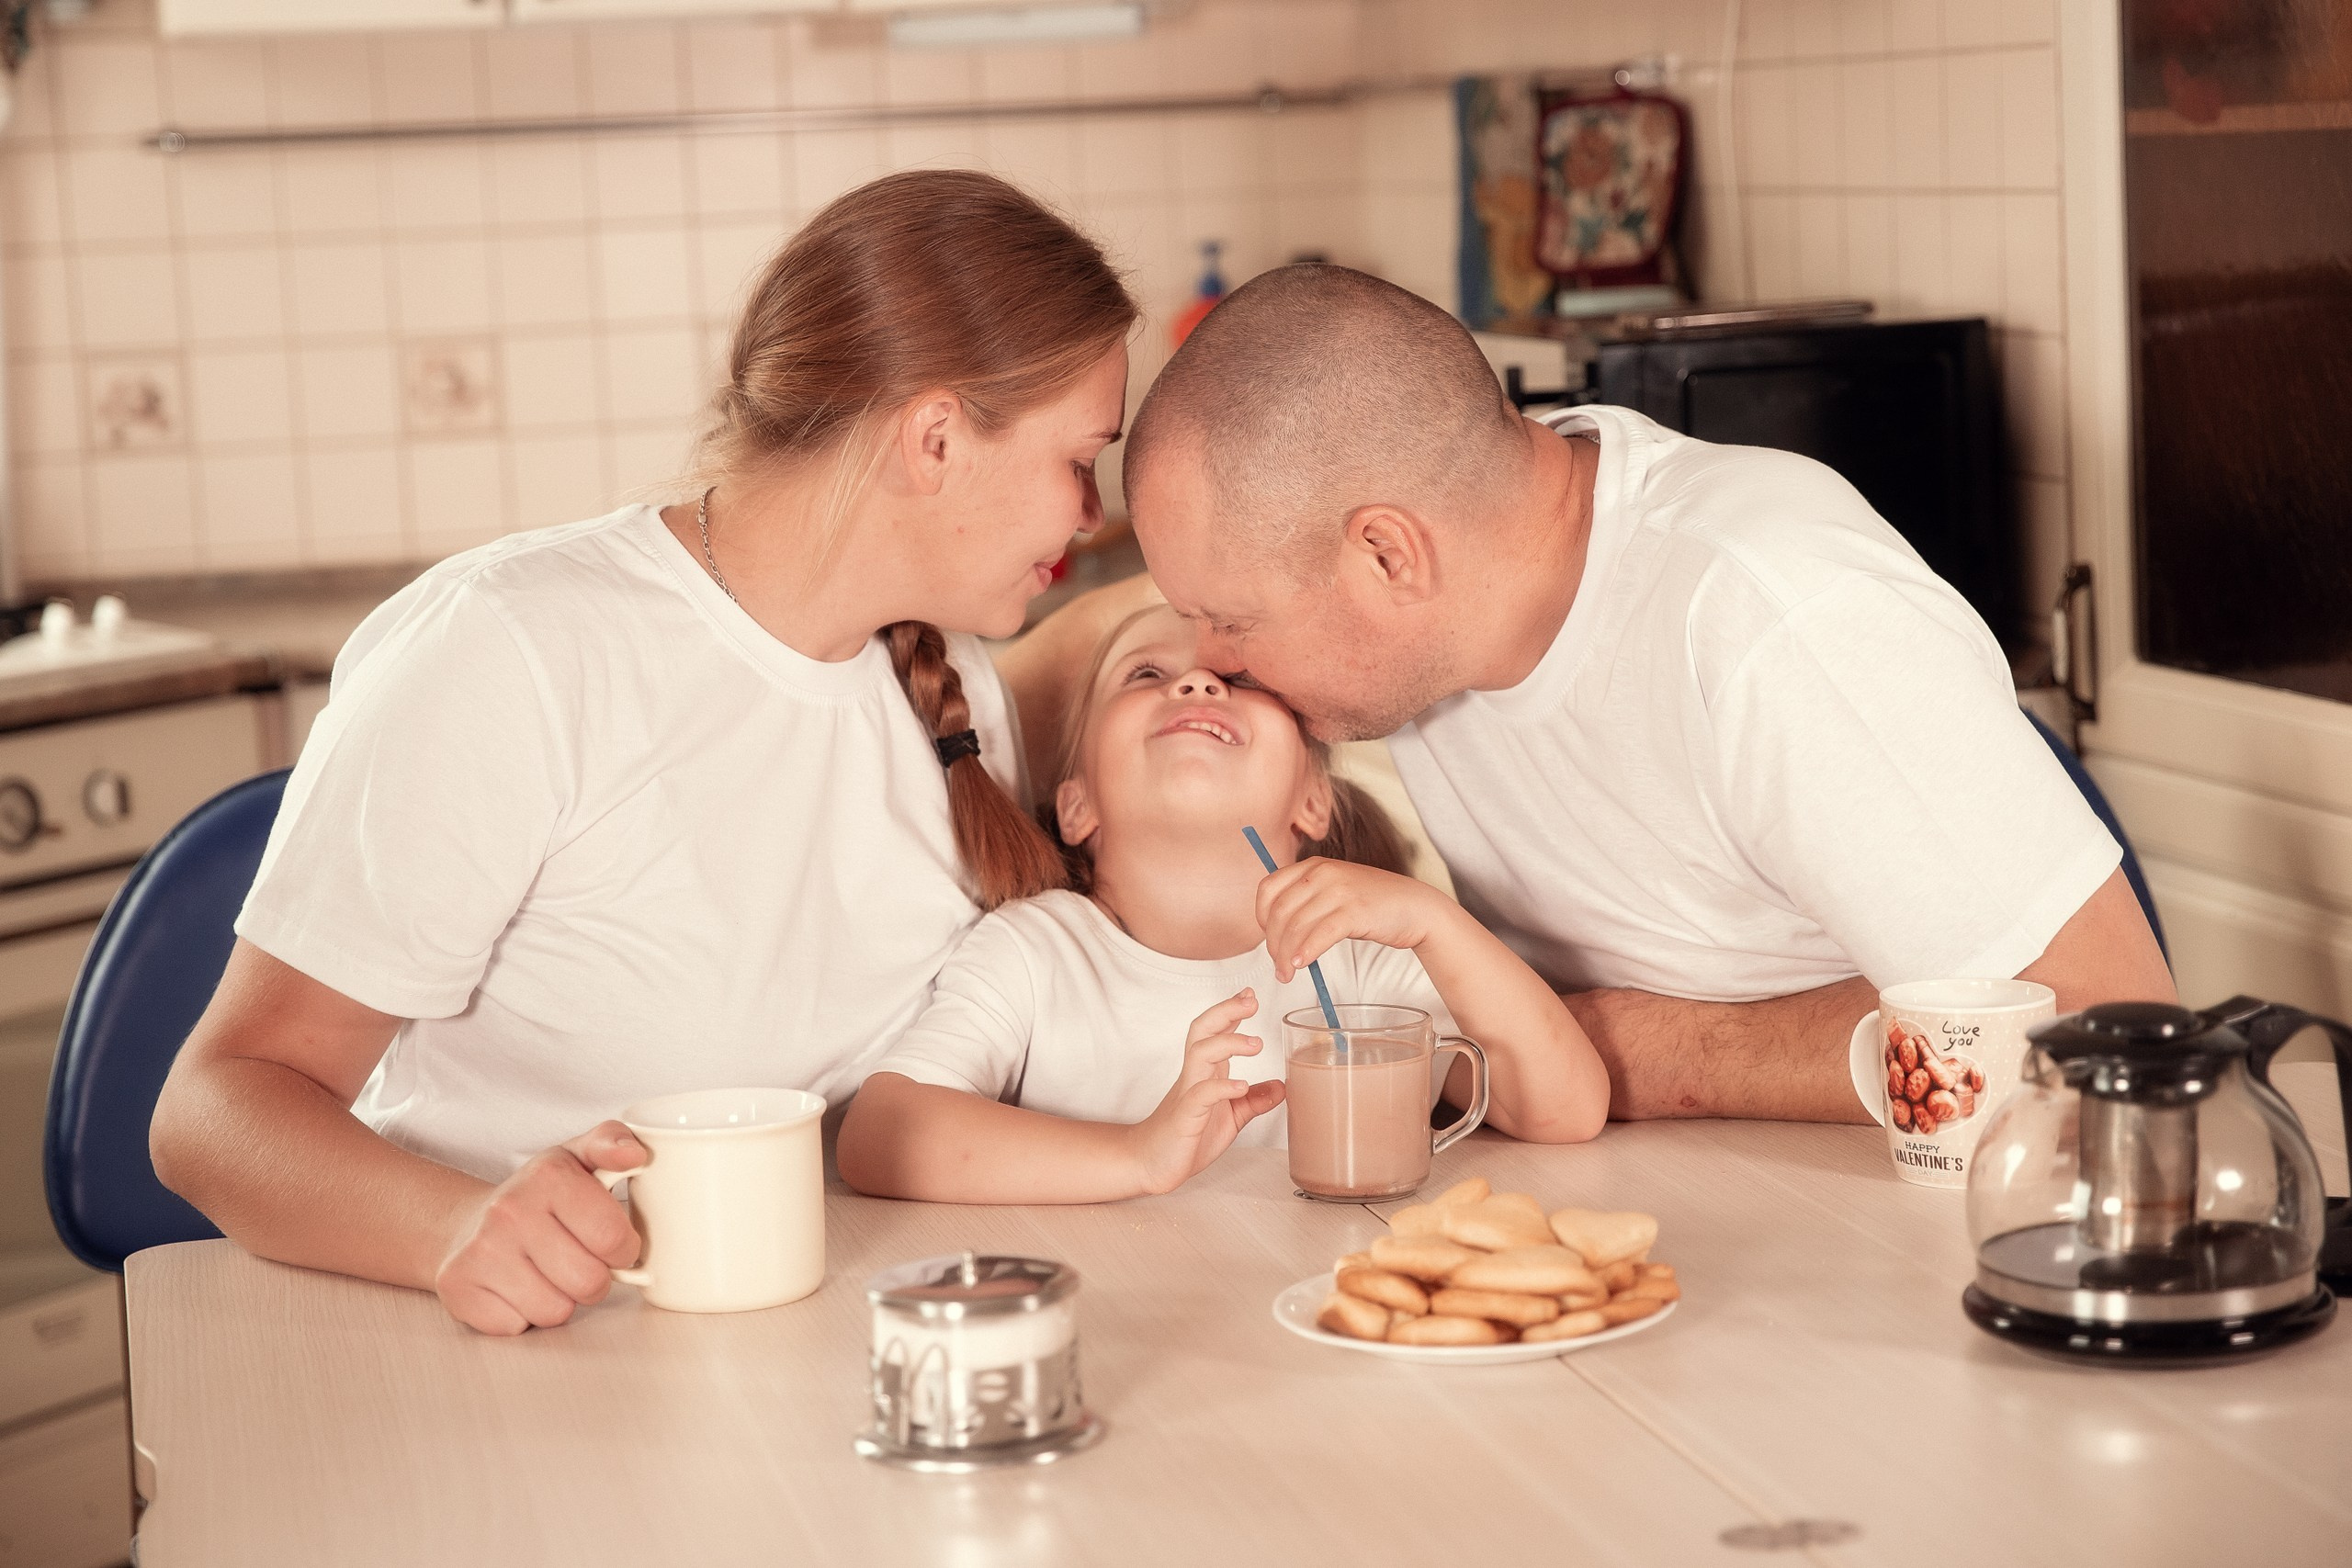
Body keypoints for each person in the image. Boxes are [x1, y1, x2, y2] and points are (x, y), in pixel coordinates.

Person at [149, 171, 1137, 1335]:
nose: (1088, 513)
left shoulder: (950, 689)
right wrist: (451, 1230)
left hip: (829, 1352)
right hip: (523, 1365)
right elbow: (215, 1112)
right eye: (1081, 459)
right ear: (933, 439)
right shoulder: (514, 646)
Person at [1093, 264, 2174, 1123]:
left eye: (1230, 623)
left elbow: (2100, 1025)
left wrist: (1656, 1053)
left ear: (1386, 557)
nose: (1213, 662)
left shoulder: (1773, 609)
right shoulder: (1438, 614)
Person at [837, 605, 1608, 1202]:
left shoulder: (1365, 968)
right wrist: (1139, 1156)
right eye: (1145, 674)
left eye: (1240, 679)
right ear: (1076, 806)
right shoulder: (1034, 954)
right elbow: (879, 1134)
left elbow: (1565, 1110)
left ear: (1313, 801)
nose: (1199, 683)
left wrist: (1436, 921)